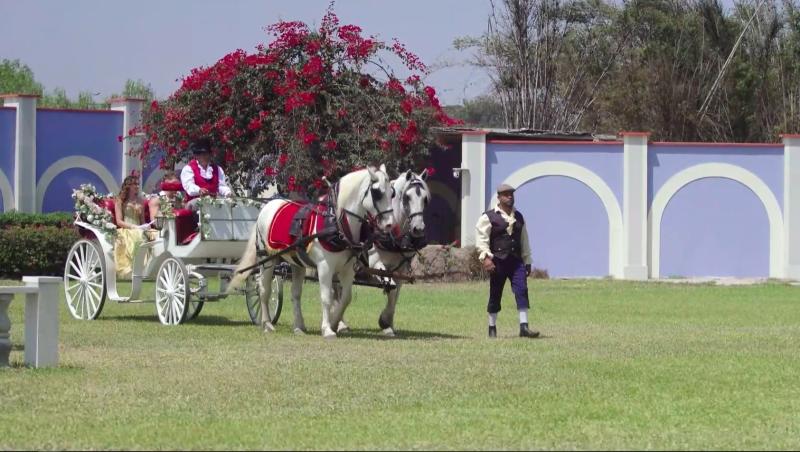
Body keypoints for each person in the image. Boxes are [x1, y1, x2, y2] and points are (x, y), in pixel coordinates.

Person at [475, 183, 540, 338]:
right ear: (499, 197)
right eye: (505, 194)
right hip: (498, 261)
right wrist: (486, 258)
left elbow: (524, 240)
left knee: (522, 290)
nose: (509, 196)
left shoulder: (519, 216)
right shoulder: (488, 217)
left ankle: (524, 327)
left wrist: (527, 260)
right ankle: (492, 328)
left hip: (516, 261)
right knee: (495, 294)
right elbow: (481, 240)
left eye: (511, 194)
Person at [113, 175, 154, 279]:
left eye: (138, 184)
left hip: (139, 228)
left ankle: (150, 267)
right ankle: (133, 268)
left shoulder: (140, 201)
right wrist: (134, 227)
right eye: (134, 184)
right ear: (128, 186)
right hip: (126, 228)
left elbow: (142, 221)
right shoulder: (119, 200)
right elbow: (119, 221)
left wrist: (145, 226)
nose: (137, 186)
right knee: (137, 235)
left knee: (155, 234)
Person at [180, 138, 233, 209]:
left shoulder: (217, 169)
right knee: (199, 204)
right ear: (197, 156)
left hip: (213, 202)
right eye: (202, 154)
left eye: (206, 154)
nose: (205, 157)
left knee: (226, 206)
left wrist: (227, 192)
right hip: (194, 203)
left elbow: (220, 186)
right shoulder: (188, 168)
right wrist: (199, 190)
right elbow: (189, 186)